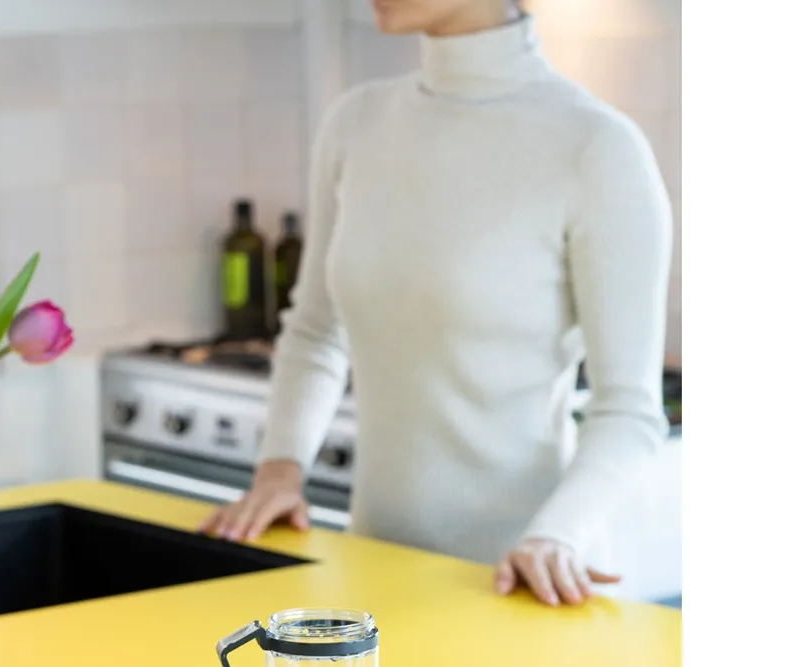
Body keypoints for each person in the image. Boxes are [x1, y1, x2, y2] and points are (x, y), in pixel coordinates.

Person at [200, 0, 672, 608]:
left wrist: (556, 537)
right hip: (374, 573)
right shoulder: (356, 123)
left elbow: (629, 410)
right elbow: (316, 330)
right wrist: (279, 469)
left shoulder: (596, 147)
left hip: (522, 587)